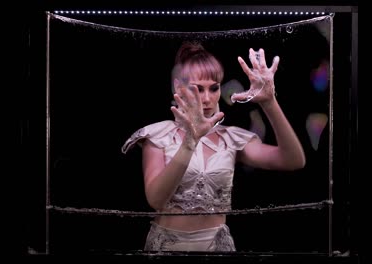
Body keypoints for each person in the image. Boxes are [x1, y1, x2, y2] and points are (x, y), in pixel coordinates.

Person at [121, 42, 306, 251]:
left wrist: (269, 102)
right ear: (177, 87)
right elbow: (156, 199)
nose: (207, 98)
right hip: (166, 247)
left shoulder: (231, 138)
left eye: (214, 88)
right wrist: (189, 142)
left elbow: (293, 160)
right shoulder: (158, 135)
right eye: (198, 89)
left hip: (217, 248)